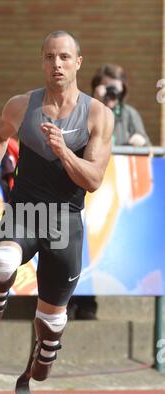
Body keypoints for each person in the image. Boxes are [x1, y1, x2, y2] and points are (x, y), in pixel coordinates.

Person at [0, 30, 114, 382]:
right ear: (42, 61)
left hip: (65, 221)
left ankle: (46, 350)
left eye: (65, 57)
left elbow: (94, 180)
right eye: (50, 57)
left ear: (78, 62)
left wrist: (64, 151)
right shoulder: (22, 105)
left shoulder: (97, 115)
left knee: (52, 324)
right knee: (3, 259)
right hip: (25, 210)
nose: (57, 64)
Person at [69, 63, 151, 321]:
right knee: (77, 245)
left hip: (115, 194)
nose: (110, 93)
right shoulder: (86, 110)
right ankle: (69, 300)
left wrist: (138, 144)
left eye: (115, 87)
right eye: (105, 86)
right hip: (85, 188)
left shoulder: (129, 115)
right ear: (94, 86)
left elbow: (146, 149)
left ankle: (88, 302)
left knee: (102, 248)